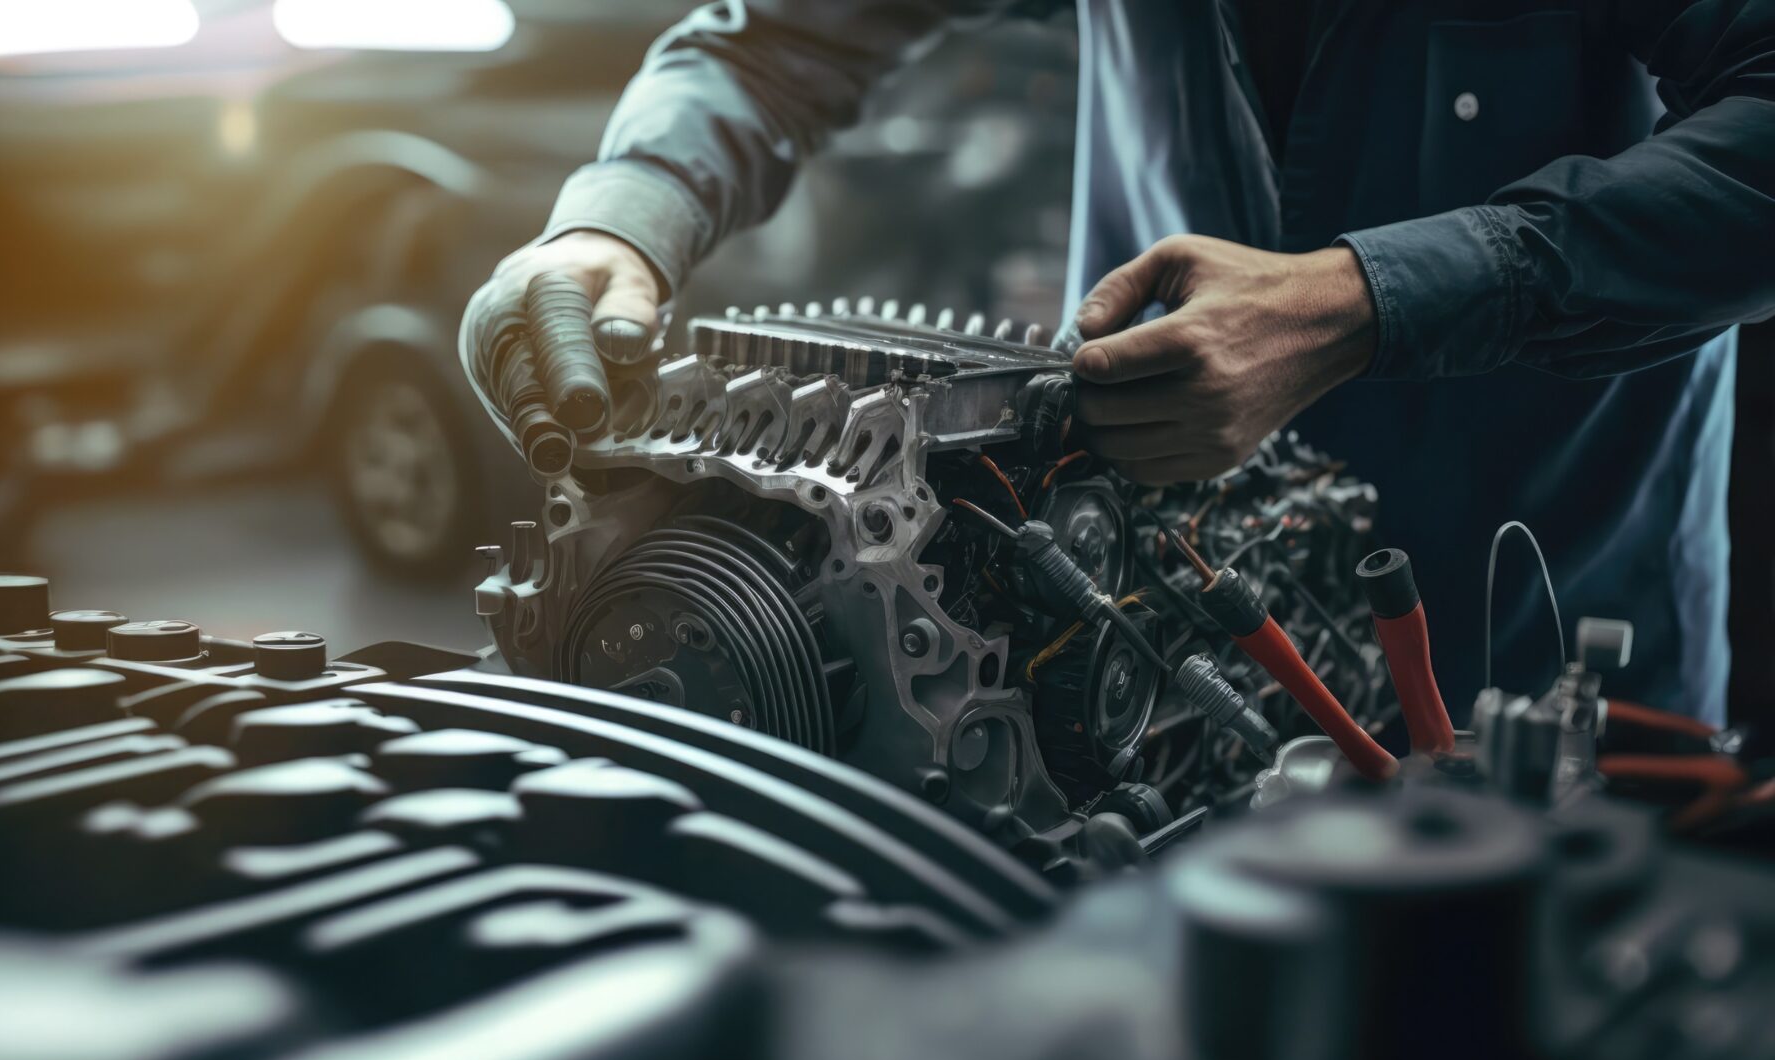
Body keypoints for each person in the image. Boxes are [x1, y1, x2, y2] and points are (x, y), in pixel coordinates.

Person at [462, 0, 1775, 726]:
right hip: (1140, 661)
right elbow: (777, 34)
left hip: (1537, 648)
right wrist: (616, 220)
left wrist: (1366, 298)